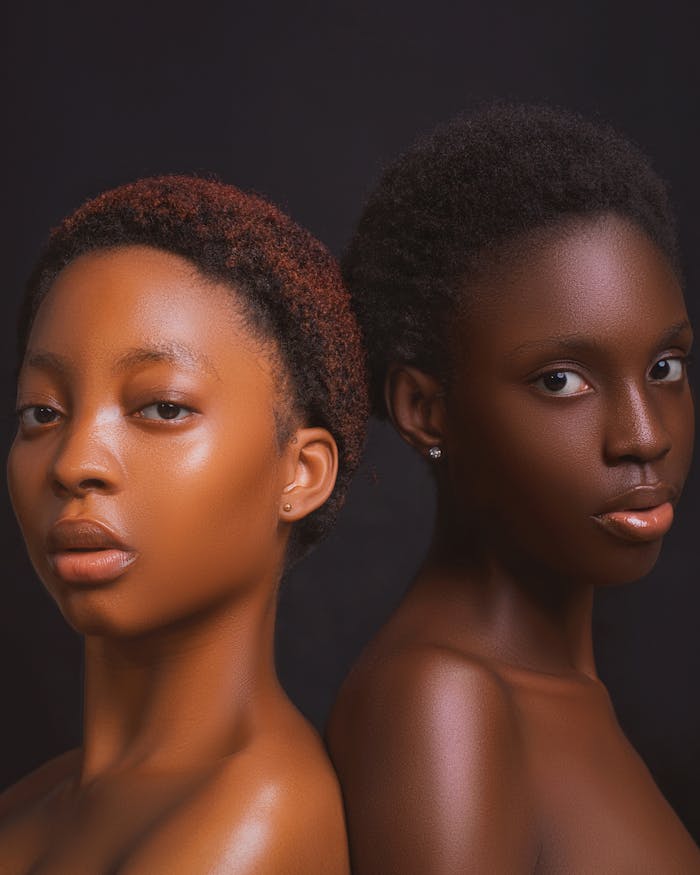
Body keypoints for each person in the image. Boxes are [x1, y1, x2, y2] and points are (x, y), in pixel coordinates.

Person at [328, 104, 700, 873]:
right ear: (424, 409)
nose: (644, 434)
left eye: (664, 366)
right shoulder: (443, 707)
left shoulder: (556, 686)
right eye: (561, 380)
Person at [0, 175, 367, 874]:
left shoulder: (258, 820)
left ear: (302, 472)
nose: (76, 462)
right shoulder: (35, 799)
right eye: (41, 412)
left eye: (161, 408)